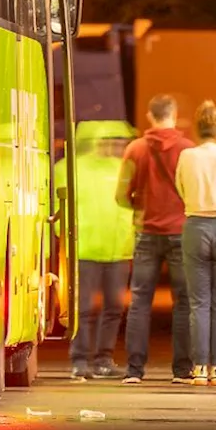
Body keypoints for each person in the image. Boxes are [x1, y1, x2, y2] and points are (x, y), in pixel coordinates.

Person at [117, 95, 195, 384]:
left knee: (139, 301)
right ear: (173, 115)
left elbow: (120, 195)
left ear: (150, 116)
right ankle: (182, 370)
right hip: (181, 233)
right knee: (184, 301)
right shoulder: (188, 151)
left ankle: (134, 370)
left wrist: (141, 208)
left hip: (146, 233)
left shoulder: (135, 149)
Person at [56, 120, 139, 381]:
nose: (115, 147)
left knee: (114, 306)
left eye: (119, 142)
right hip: (86, 248)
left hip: (118, 248)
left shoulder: (125, 169)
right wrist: (64, 236)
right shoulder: (70, 169)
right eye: (110, 141)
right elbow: (59, 206)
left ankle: (103, 358)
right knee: (84, 307)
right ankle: (79, 359)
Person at [174, 101, 216, 386]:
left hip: (195, 225)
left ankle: (199, 367)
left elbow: (180, 189)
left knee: (199, 303)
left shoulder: (187, 156)